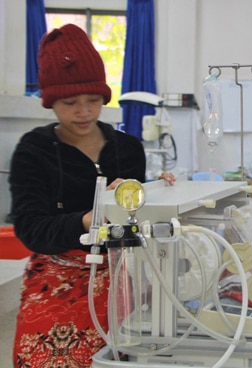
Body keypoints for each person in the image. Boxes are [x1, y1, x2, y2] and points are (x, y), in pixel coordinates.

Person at [9, 24, 173, 367]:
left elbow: (135, 225)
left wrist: (155, 193)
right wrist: (88, 219)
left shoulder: (127, 149)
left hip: (119, 278)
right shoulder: (33, 151)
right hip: (56, 279)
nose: (84, 112)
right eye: (70, 103)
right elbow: (29, 228)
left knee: (128, 355)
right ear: (51, 101)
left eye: (94, 101)